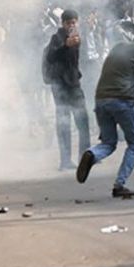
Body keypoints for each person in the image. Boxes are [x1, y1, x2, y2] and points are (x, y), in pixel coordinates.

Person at [76, 29, 134, 198]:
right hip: (122, 100)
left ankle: (92, 154)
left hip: (101, 99)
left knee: (108, 142)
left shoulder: (118, 46)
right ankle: (119, 184)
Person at [44, 9, 91, 170]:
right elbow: (51, 56)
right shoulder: (56, 38)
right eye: (69, 22)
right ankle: (65, 161)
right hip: (60, 86)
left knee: (83, 121)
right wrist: (65, 45)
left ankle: (86, 156)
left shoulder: (77, 38)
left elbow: (78, 61)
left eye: (74, 22)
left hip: (74, 84)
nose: (72, 25)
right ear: (63, 24)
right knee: (64, 124)